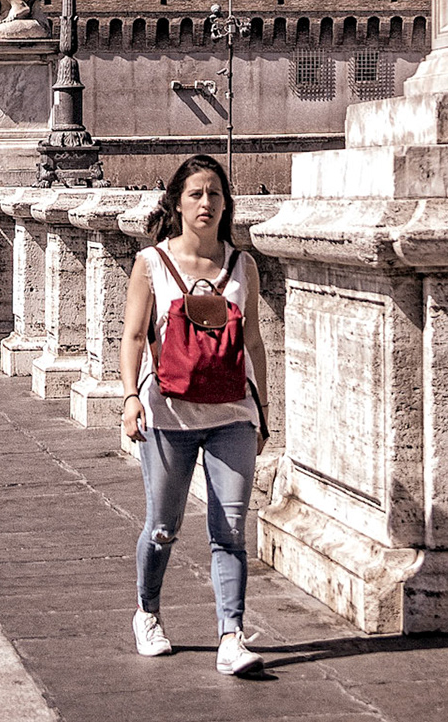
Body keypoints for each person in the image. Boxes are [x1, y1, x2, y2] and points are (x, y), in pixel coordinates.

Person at [119, 155, 268, 677]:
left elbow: (253, 342)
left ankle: (232, 636)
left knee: (230, 529)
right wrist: (130, 398)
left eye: (215, 195)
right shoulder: (151, 263)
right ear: (177, 203)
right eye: (196, 194)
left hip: (232, 412)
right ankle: (148, 613)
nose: (207, 204)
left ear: (226, 203)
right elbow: (135, 337)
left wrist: (262, 410)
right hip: (168, 412)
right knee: (163, 526)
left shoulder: (242, 264)